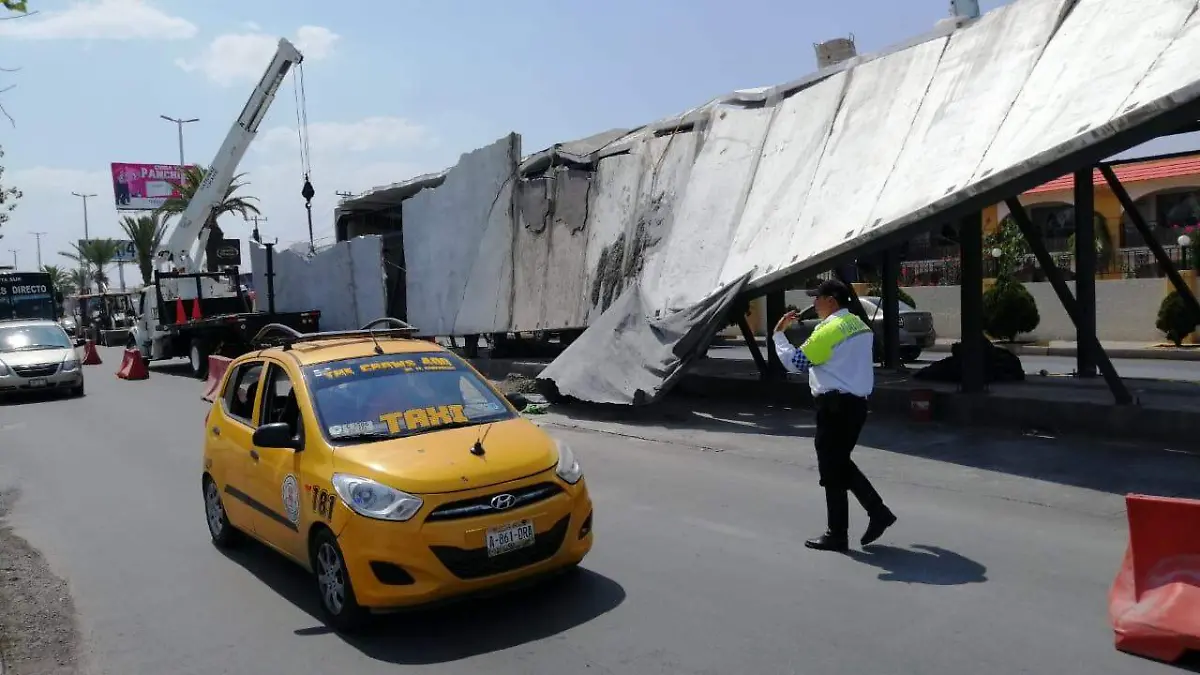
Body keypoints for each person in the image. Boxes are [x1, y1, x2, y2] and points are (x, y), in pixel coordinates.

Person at [772, 279, 897, 552]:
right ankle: (873, 514)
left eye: (817, 298)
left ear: (831, 300)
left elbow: (797, 364)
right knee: (839, 465)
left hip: (835, 408)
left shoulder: (829, 329)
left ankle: (844, 531)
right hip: (856, 406)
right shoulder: (858, 325)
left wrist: (779, 336)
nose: (813, 303)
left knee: (833, 469)